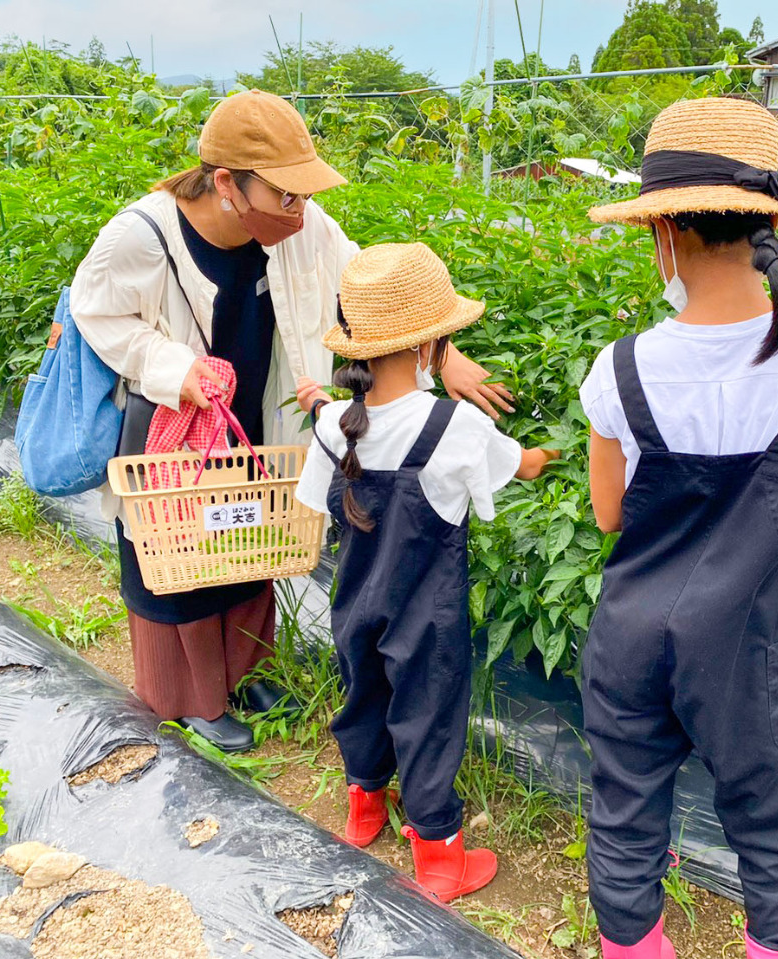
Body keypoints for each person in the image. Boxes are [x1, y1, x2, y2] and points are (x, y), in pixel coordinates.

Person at [70, 90, 513, 753]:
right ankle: (192, 698)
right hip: (176, 425)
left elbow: (364, 285)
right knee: (178, 547)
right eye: (285, 196)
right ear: (227, 184)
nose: (299, 210)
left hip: (251, 415)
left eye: (304, 194)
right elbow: (96, 313)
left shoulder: (306, 227)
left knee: (248, 535)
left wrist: (443, 355)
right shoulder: (142, 237)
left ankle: (248, 675)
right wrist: (173, 368)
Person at [577, 97, 778, 959]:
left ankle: (632, 946)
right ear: (769, 226)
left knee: (626, 807)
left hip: (631, 636)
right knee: (774, 821)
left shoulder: (619, 368)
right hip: (744, 650)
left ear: (662, 232)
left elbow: (610, 515)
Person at [293, 241, 557, 900]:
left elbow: (311, 496)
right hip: (425, 616)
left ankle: (364, 810)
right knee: (429, 715)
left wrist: (317, 404)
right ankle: (439, 854)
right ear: (430, 345)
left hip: (353, 601)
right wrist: (550, 452)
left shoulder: (332, 423)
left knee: (364, 698)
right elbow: (517, 465)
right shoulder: (454, 424)